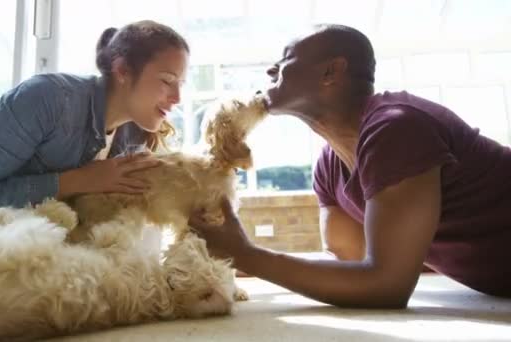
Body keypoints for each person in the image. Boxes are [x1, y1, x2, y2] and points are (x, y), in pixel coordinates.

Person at [188, 24, 511, 307]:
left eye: (284, 60)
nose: (271, 71)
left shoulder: (396, 127)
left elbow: (386, 286)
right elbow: (349, 262)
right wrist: (236, 255)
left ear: (331, 72)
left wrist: (246, 255)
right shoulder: (329, 165)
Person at [0, 20, 189, 260]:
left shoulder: (135, 133)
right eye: (167, 80)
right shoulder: (46, 99)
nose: (177, 97)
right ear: (123, 71)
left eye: (181, 84)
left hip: (32, 257)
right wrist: (79, 180)